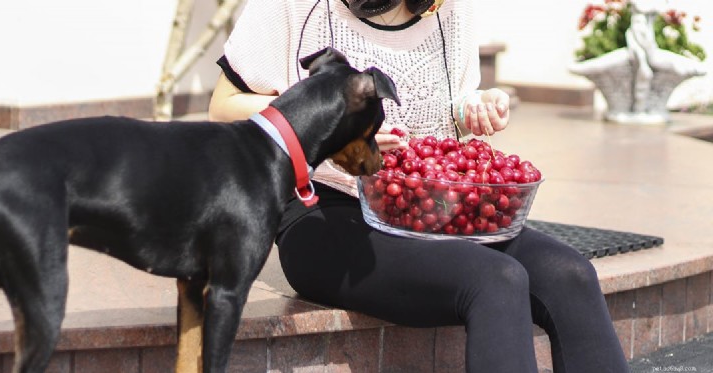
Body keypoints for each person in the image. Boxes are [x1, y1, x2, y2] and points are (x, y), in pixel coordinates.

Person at [208, 0, 630, 372]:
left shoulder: (450, 6)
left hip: (431, 208)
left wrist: (473, 109)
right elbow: (224, 110)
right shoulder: (294, 6)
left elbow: (449, 109)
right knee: (496, 279)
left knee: (570, 273)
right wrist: (338, 120)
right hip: (324, 212)